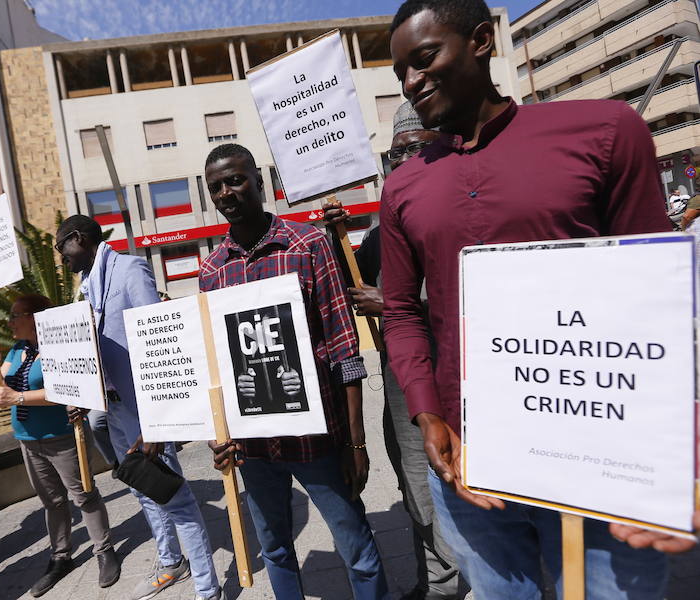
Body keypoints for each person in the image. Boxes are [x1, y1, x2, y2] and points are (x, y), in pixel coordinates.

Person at [381, 0, 673, 598]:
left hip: (601, 461)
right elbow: (403, 312)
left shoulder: (606, 131)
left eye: (425, 58)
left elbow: (656, 296)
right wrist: (427, 411)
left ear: (482, 41)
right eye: (401, 73)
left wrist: (668, 455)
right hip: (469, 465)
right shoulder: (403, 187)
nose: (411, 82)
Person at [201, 143, 389, 600]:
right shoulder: (211, 271)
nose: (227, 191)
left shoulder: (308, 246)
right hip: (254, 449)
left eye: (236, 179)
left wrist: (355, 443)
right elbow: (214, 365)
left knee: (357, 550)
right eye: (216, 186)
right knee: (276, 552)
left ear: (260, 182)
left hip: (318, 442)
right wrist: (218, 433)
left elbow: (345, 350)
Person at [324, 103, 465, 600]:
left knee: (460, 480)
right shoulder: (383, 231)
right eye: (395, 152)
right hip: (403, 383)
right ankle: (439, 581)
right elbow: (344, 276)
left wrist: (395, 303)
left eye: (417, 148)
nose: (403, 159)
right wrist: (332, 232)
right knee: (414, 483)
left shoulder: (459, 207)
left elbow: (471, 291)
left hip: (457, 375)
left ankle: (472, 575)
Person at [54, 217, 221, 600]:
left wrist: (157, 421)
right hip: (111, 410)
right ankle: (170, 561)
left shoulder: (129, 269)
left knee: (175, 497)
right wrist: (80, 396)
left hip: (143, 411)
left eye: (61, 246)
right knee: (143, 490)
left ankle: (207, 589)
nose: (60, 257)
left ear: (78, 239)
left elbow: (157, 340)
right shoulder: (85, 289)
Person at [0, 293, 119, 598]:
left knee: (83, 495)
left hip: (61, 435)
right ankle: (60, 556)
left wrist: (17, 397)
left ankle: (104, 550)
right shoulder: (16, 350)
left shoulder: (59, 346)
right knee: (52, 502)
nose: (9, 321)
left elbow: (63, 390)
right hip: (28, 440)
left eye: (15, 315)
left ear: (35, 317)